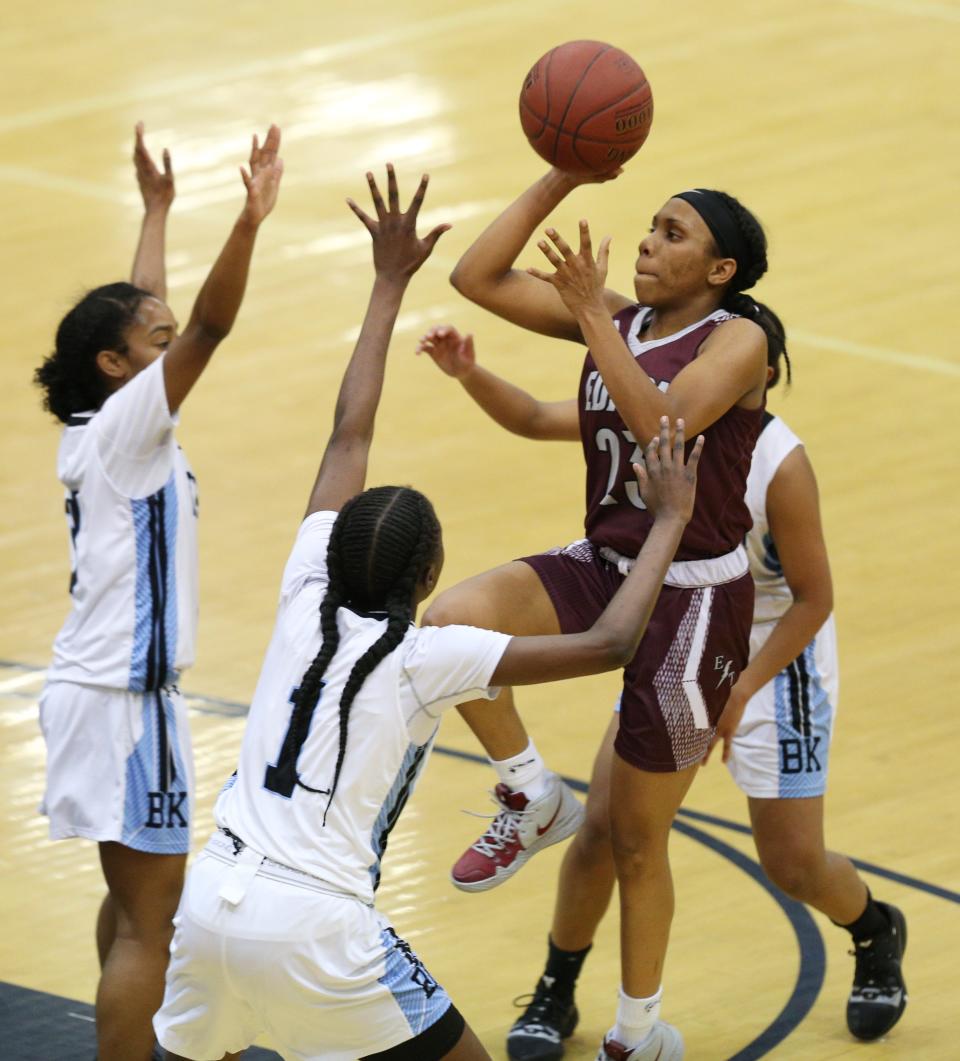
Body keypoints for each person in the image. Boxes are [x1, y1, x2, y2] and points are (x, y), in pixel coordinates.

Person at [152, 166, 705, 1061]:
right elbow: (611, 641)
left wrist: (385, 283)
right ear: (428, 578)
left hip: (212, 894)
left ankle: (531, 794)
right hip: (318, 925)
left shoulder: (303, 594)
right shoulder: (426, 653)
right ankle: (531, 794)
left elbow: (348, 435)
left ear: (330, 552)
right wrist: (674, 516)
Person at [417, 329, 908, 1057]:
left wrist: (740, 687)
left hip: (773, 653)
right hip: (682, 625)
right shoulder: (660, 422)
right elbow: (534, 417)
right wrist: (470, 373)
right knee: (606, 829)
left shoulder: (780, 463)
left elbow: (812, 598)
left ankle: (873, 927)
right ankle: (558, 988)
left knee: (793, 862)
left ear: (753, 376)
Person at [417, 169, 787, 1060]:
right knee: (447, 628)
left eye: (673, 232)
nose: (651, 241)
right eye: (651, 227)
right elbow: (476, 277)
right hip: (607, 562)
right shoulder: (621, 320)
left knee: (633, 836)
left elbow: (666, 420)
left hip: (696, 595)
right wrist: (564, 170)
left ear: (721, 268)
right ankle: (531, 792)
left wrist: (590, 315)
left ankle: (637, 1030)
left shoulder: (742, 338)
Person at [33, 123, 283, 1061]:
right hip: (128, 708)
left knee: (130, 906)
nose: (173, 345)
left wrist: (157, 210)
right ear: (118, 365)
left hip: (94, 692)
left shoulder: (100, 421)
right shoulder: (133, 429)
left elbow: (159, 320)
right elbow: (208, 325)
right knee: (155, 921)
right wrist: (249, 223)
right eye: (155, 340)